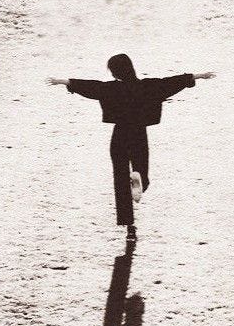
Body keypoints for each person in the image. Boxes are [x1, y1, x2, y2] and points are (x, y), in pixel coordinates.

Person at [47, 54, 215, 241]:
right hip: (138, 134)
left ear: (115, 71)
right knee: (141, 170)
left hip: (119, 136)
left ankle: (128, 223)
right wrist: (197, 76)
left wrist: (65, 81)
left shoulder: (110, 88)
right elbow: (170, 83)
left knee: (120, 178)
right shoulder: (147, 86)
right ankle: (139, 178)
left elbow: (92, 87)